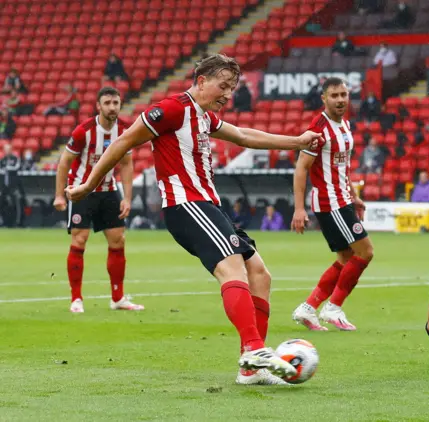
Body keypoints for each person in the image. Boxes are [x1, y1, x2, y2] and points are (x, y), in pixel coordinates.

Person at [65, 54, 321, 385]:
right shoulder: (171, 109)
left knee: (260, 274)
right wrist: (88, 184)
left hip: (208, 206)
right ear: (201, 81)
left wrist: (296, 141)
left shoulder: (204, 117)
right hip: (186, 205)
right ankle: (255, 349)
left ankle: (250, 367)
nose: (228, 94)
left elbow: (243, 135)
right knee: (232, 270)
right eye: (223, 86)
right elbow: (123, 142)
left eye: (232, 88)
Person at [291, 77, 374, 332]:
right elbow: (301, 168)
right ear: (324, 99)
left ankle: (308, 308)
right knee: (365, 252)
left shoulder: (345, 126)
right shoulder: (318, 130)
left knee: (345, 257)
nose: (340, 100)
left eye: (343, 95)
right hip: (330, 202)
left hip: (342, 198)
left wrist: (353, 195)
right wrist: (299, 208)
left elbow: (342, 167)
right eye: (334, 95)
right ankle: (333, 307)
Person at [52, 87, 140, 313]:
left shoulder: (124, 130)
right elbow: (64, 162)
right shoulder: (84, 131)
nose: (112, 107)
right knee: (79, 240)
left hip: (109, 190)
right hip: (82, 191)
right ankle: (76, 299)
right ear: (98, 106)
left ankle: (118, 298)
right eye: (108, 103)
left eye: (116, 102)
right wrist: (60, 194)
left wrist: (127, 198)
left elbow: (127, 164)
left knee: (118, 240)